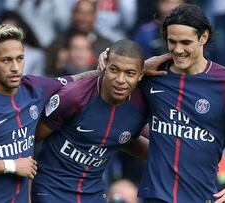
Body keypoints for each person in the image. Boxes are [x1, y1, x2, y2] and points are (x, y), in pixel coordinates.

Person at [99, 3, 225, 203]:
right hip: (154, 196)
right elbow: (117, 125)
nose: (178, 50)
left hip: (201, 196)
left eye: (186, 42)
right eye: (172, 41)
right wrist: (103, 67)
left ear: (203, 37)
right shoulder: (154, 76)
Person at [0, 24, 98, 202]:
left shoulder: (35, 88)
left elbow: (78, 80)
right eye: (6, 60)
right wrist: (11, 165)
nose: (16, 67)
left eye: (20, 58)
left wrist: (105, 69)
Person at [31, 39, 149, 203]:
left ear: (140, 75)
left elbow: (125, 139)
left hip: (93, 193)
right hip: (51, 190)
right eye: (114, 70)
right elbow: (32, 138)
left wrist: (172, 156)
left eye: (129, 73)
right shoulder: (73, 96)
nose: (121, 80)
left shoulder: (140, 107)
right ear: (104, 66)